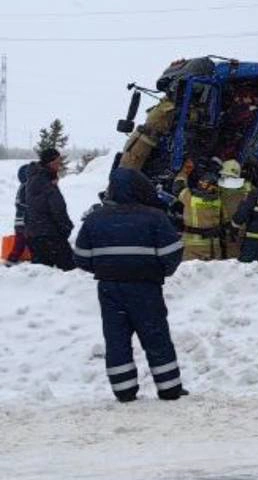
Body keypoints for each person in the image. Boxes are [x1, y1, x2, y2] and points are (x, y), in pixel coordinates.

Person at [73, 168, 188, 402]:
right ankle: (169, 389)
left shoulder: (95, 219)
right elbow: (173, 254)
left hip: (110, 288)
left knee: (116, 339)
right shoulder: (154, 217)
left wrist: (107, 269)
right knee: (156, 337)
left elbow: (81, 257)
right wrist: (157, 271)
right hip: (145, 287)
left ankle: (124, 391)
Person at [24, 149, 75, 270]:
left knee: (42, 274)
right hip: (50, 234)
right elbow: (58, 208)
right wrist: (66, 226)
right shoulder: (46, 182)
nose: (59, 165)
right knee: (70, 271)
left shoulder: (34, 178)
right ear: (49, 163)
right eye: (57, 162)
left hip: (35, 233)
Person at [177, 165, 223, 261]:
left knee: (189, 273)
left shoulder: (190, 198)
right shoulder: (218, 200)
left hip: (192, 246)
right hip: (213, 245)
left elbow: (178, 186)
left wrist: (184, 172)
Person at [4, 163, 32, 265]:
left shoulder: (23, 186)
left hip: (21, 221)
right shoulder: (26, 187)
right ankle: (11, 261)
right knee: (20, 243)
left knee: (23, 242)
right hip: (23, 221)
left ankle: (15, 259)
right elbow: (20, 204)